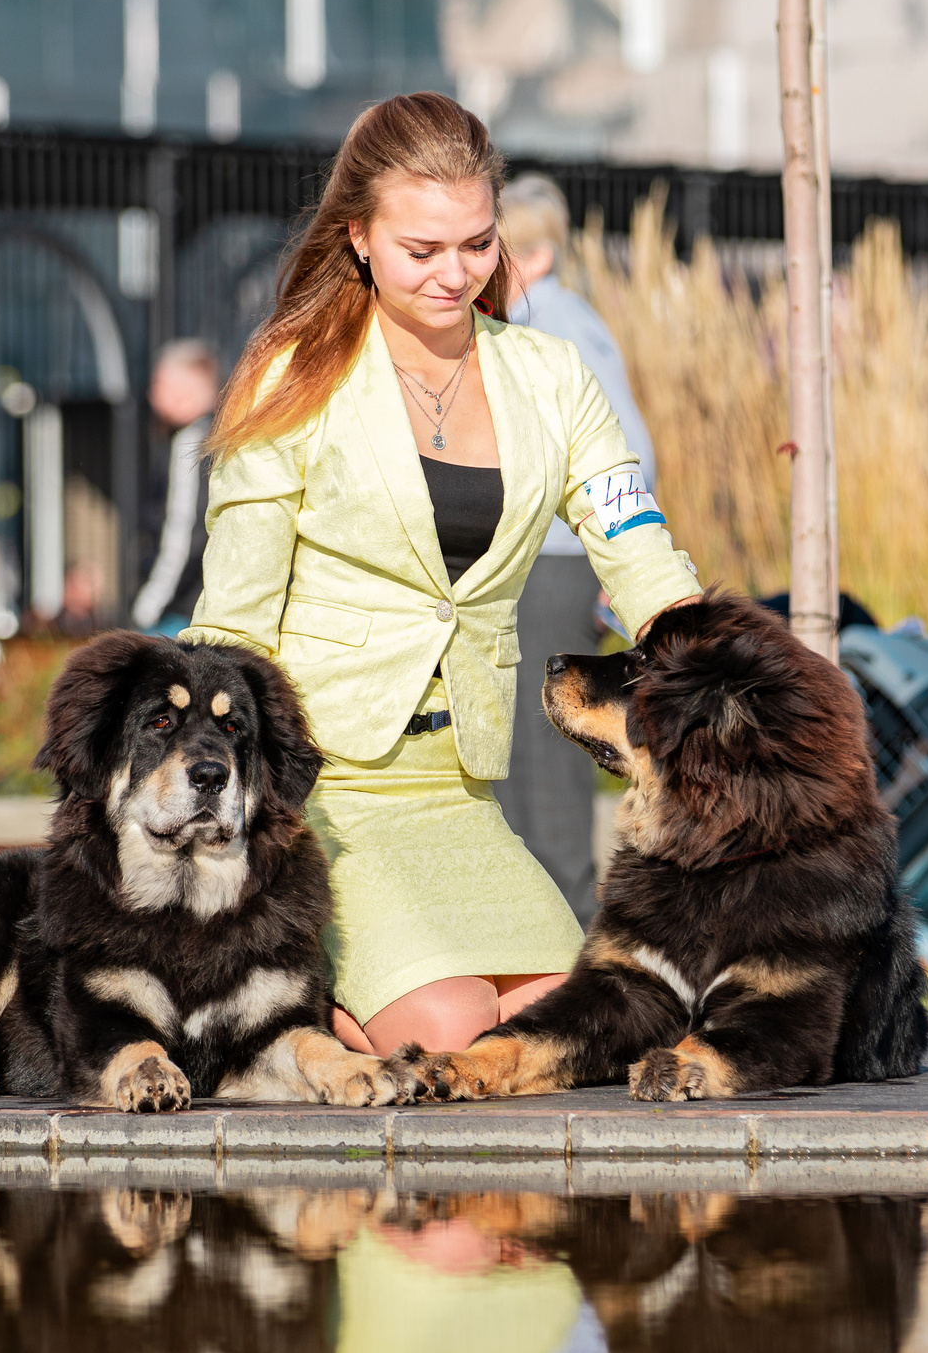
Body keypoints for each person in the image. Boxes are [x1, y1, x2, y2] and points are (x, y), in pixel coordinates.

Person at [179, 92, 701, 1057]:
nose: (455, 274)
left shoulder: (551, 378)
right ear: (360, 239)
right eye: (423, 249)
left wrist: (719, 662)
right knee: (458, 1026)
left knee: (597, 1024)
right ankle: (293, 1015)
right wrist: (232, 806)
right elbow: (235, 625)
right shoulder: (292, 378)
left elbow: (638, 548)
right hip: (322, 797)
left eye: (477, 244)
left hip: (457, 793)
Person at [497, 173, 658, 926]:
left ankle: (565, 923)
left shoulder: (548, 320)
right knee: (531, 741)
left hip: (556, 556)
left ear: (525, 251)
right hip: (555, 553)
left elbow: (623, 445)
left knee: (546, 743)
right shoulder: (561, 315)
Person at [129, 338, 221, 633]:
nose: (151, 395)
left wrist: (147, 610)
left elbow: (181, 535)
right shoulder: (223, 435)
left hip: (182, 613)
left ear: (186, 388)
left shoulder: (191, 443)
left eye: (159, 383)